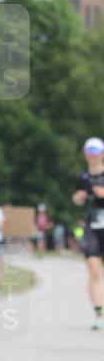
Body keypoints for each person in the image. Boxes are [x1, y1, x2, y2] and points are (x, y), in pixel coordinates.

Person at [72, 136, 104, 331]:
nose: (92, 156)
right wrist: (77, 198)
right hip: (92, 226)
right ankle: (99, 313)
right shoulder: (82, 177)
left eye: (96, 152)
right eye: (89, 152)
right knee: (94, 269)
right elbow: (77, 200)